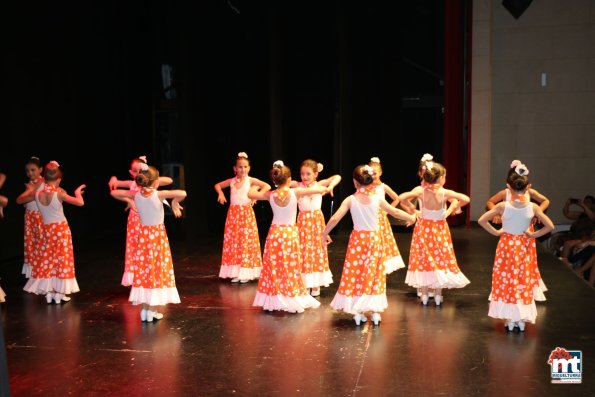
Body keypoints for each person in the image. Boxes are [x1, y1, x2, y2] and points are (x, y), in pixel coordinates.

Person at [322, 165, 416, 326]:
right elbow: (396, 212)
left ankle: (358, 311)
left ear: (354, 182)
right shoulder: (377, 199)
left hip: (358, 242)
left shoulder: (350, 199)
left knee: (357, 273)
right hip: (374, 241)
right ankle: (375, 311)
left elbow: (335, 218)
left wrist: (323, 233)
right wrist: (412, 217)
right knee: (374, 275)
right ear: (372, 182)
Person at [478, 163, 554, 332]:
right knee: (522, 280)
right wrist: (533, 235)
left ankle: (510, 318)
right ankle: (520, 318)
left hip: (506, 246)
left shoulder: (502, 206)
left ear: (508, 187)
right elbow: (550, 226)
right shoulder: (533, 207)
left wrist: (497, 232)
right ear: (528, 187)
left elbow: (482, 220)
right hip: (524, 246)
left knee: (507, 280)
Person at [110, 162, 186, 322]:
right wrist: (174, 202)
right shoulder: (158, 194)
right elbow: (182, 192)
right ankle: (151, 310)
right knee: (155, 272)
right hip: (157, 239)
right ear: (156, 182)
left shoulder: (137, 194)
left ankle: (145, 310)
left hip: (144, 238)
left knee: (145, 272)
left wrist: (130, 199)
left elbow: (115, 193)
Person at [248, 160, 326, 313]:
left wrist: (262, 185)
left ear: (275, 180)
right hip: (290, 234)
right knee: (290, 266)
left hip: (275, 235)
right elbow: (321, 189)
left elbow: (250, 193)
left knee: (274, 267)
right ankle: (290, 298)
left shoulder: (269, 194)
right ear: (289, 180)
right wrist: (321, 187)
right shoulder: (294, 192)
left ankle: (272, 299)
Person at [399, 159, 470, 306]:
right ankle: (438, 295)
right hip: (439, 230)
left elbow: (402, 198)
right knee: (440, 259)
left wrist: (414, 210)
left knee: (424, 260)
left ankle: (424, 294)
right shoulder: (445, 192)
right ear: (441, 178)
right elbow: (465, 199)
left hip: (424, 229)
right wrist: (450, 211)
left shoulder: (420, 191)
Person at [486, 159, 550, 301]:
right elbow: (490, 201)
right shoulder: (505, 193)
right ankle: (509, 287)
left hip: (525, 232)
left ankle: (527, 287)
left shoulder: (530, 192)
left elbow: (545, 200)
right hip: (511, 232)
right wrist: (496, 213)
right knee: (509, 262)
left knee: (527, 261)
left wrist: (537, 213)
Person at [22, 161, 85, 304]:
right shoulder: (59, 193)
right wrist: (77, 193)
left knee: (48, 261)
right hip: (61, 231)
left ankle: (50, 293)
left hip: (46, 231)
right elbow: (80, 203)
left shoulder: (37, 194)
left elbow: (21, 200)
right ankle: (59, 293)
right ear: (58, 179)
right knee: (62, 261)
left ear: (44, 177)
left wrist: (30, 190)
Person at [109, 156, 173, 286]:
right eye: (134, 171)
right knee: (135, 247)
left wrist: (152, 178)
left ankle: (152, 273)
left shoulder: (150, 182)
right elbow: (115, 190)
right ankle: (136, 276)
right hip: (135, 220)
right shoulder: (131, 184)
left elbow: (169, 180)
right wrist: (128, 200)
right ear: (131, 172)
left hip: (149, 220)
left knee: (150, 248)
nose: (137, 174)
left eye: (140, 171)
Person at [214, 152, 271, 283]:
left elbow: (266, 185)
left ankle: (246, 272)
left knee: (246, 242)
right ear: (235, 168)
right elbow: (217, 185)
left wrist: (256, 196)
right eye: (240, 167)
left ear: (249, 168)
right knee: (235, 243)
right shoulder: (232, 181)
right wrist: (221, 193)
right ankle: (237, 271)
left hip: (246, 215)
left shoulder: (250, 180)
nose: (243, 169)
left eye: (245, 167)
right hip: (233, 216)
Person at [290, 159, 341, 296]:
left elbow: (337, 177)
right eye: (302, 174)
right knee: (304, 252)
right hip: (303, 223)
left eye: (308, 174)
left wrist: (330, 187)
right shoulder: (297, 185)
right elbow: (281, 183)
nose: (305, 177)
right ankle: (305, 283)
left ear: (315, 174)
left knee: (317, 251)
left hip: (317, 222)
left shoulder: (319, 184)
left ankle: (316, 284)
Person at [366, 156, 406, 275]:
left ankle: (382, 267)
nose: (373, 175)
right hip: (369, 219)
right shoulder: (366, 187)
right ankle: (371, 265)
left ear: (380, 173)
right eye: (371, 173)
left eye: (375, 173)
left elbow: (396, 198)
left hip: (380, 220)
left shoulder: (383, 187)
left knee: (382, 243)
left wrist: (387, 211)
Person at [15, 156, 45, 279]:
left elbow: (34, 197)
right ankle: (34, 271)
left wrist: (30, 192)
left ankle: (43, 268)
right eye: (27, 171)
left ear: (40, 170)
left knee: (42, 241)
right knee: (32, 243)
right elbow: (21, 201)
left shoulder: (43, 182)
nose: (30, 173)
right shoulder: (30, 184)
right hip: (30, 216)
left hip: (40, 216)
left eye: (33, 170)